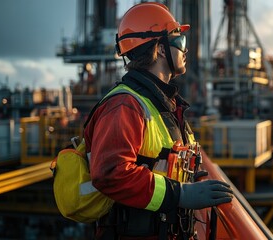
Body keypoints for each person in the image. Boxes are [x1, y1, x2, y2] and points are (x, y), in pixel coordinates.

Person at [83, 2, 233, 239]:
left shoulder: (165, 104)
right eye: (180, 41)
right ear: (161, 49)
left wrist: (188, 178)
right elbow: (111, 173)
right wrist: (181, 194)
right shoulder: (126, 105)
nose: (185, 50)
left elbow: (157, 162)